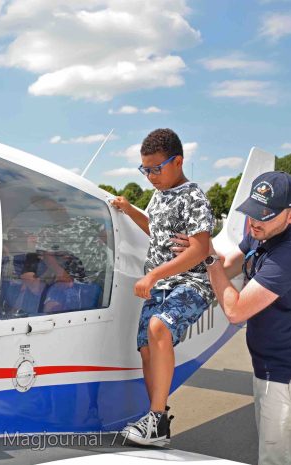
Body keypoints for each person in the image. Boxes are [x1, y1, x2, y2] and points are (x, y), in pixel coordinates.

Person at [200, 171, 291, 465]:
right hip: (269, 369)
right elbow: (231, 264)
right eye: (252, 212)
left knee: (277, 461)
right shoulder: (261, 232)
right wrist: (202, 260)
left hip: (288, 377)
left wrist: (207, 259)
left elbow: (236, 311)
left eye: (265, 215)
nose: (255, 221)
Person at [110, 128, 214, 445]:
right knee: (146, 351)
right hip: (160, 285)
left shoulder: (194, 198)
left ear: (178, 161)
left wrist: (152, 276)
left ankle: (155, 420)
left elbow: (200, 249)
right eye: (145, 170)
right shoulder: (158, 195)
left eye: (157, 168)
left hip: (190, 281)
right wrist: (130, 210)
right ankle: (161, 422)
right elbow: (155, 229)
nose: (151, 177)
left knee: (159, 328)